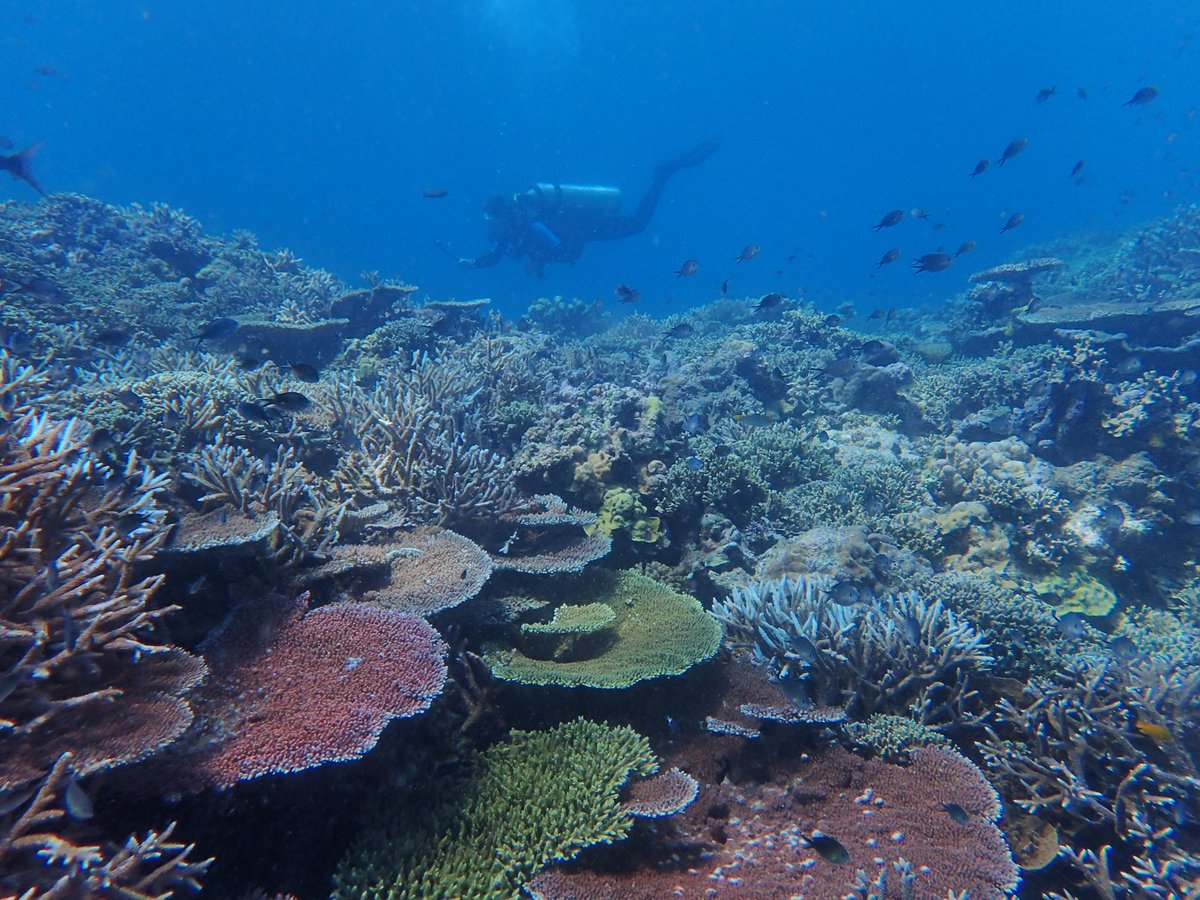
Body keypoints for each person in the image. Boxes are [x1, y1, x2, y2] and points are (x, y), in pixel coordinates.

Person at [457, 137, 720, 276]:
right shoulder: (515, 227)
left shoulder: (529, 222)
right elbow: (496, 255)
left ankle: (663, 175)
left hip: (590, 226)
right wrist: (473, 263)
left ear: (502, 216)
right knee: (637, 223)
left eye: (492, 220)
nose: (492, 227)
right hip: (585, 229)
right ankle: (663, 175)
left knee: (639, 223)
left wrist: (542, 260)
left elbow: (556, 244)